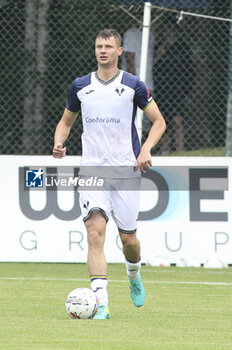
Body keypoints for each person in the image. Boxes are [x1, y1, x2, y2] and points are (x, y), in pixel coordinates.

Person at [53, 29, 166, 319]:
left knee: (129, 240)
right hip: (92, 171)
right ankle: (101, 304)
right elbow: (66, 122)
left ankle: (133, 274)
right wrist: (59, 142)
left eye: (108, 46)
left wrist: (146, 150)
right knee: (95, 233)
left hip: (126, 171)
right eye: (99, 46)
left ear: (119, 51)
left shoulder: (134, 86)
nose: (103, 50)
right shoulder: (80, 86)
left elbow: (159, 122)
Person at [153, 16, 195, 153]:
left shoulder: (183, 47)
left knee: (178, 120)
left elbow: (190, 69)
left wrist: (186, 89)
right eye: (165, 29)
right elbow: (151, 67)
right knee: (163, 122)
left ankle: (180, 151)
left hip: (178, 90)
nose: (168, 32)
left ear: (175, 30)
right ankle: (165, 152)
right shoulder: (159, 46)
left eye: (170, 29)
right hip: (162, 89)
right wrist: (159, 54)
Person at [122, 26, 155, 143]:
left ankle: (142, 145)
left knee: (145, 120)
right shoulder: (131, 33)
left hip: (148, 83)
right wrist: (134, 84)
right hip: (135, 84)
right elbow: (130, 59)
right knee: (132, 117)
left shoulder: (150, 34)